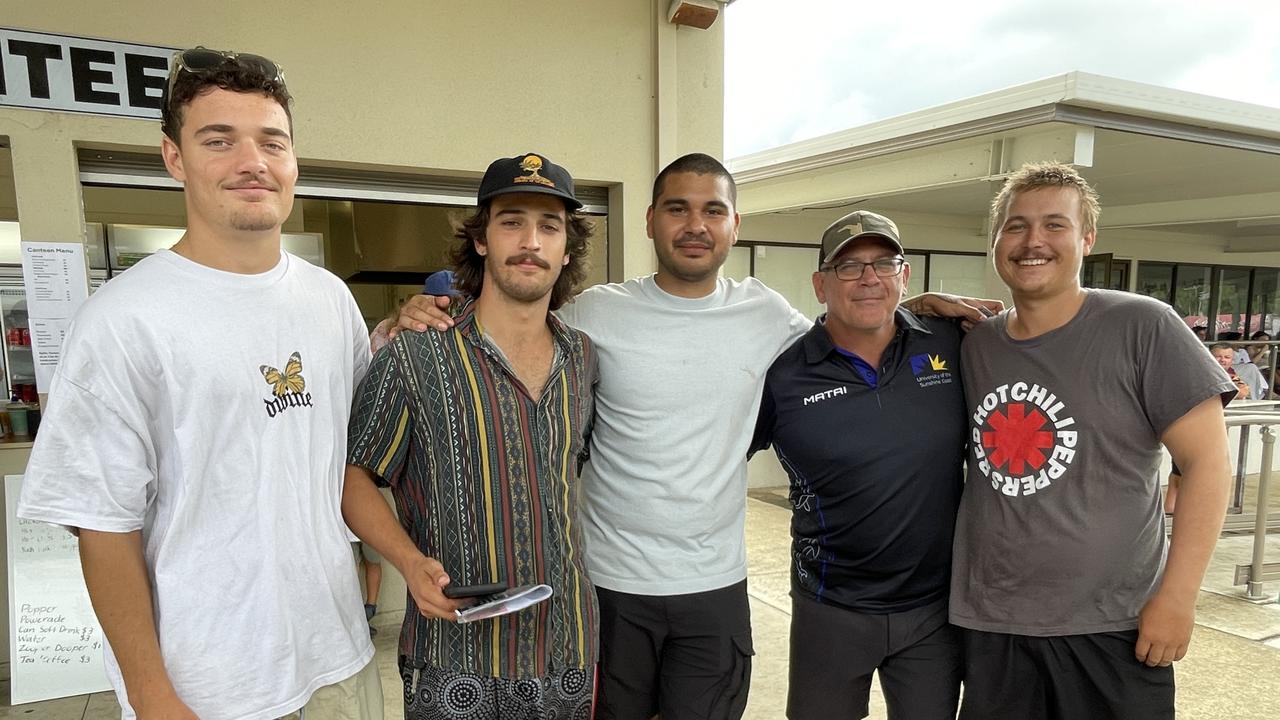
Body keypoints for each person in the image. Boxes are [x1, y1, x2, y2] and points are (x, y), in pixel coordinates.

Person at [395, 154, 998, 719]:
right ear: (651, 221)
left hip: (715, 587)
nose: (695, 225)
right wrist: (424, 312)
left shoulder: (766, 314)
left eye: (713, 210)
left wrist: (911, 306)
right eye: (678, 208)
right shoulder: (594, 314)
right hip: (609, 586)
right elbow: (507, 319)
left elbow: (849, 327)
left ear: (734, 225)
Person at [16, 47, 380, 719]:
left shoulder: (330, 302)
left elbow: (349, 463)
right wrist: (154, 695)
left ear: (293, 159)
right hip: (206, 684)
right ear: (174, 157)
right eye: (220, 141)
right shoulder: (124, 319)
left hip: (338, 661)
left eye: (272, 141)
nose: (253, 162)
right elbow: (102, 526)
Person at [951, 161, 1236, 719]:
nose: (1033, 241)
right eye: (1015, 226)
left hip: (1113, 625)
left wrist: (1178, 598)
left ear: (1086, 239)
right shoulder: (974, 344)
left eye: (1055, 225)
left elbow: (1207, 465)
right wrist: (915, 306)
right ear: (994, 242)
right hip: (991, 624)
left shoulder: (1143, 325)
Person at [342, 153, 599, 719]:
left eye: (549, 226)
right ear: (482, 239)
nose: (530, 240)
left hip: (567, 648)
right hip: (455, 657)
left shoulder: (583, 359)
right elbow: (353, 479)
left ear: (565, 248)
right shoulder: (415, 354)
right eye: (511, 221)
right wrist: (408, 564)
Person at [750, 211, 966, 719]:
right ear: (820, 285)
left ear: (905, 275)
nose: (869, 278)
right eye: (848, 267)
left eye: (883, 263)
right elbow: (714, 458)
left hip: (933, 611)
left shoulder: (953, 344)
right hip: (832, 608)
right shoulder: (783, 375)